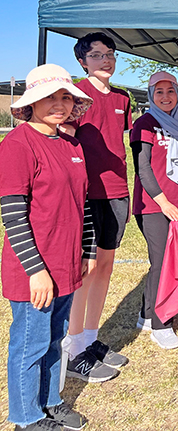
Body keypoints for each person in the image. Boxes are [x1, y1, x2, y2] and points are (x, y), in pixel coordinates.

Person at [1, 64, 94, 431]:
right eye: (50, 97)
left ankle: (51, 401)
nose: (59, 104)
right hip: (35, 269)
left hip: (67, 262)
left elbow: (83, 204)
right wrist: (35, 270)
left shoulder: (71, 144)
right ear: (32, 102)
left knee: (55, 339)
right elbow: (12, 213)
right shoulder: (17, 145)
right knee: (30, 345)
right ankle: (27, 417)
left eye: (65, 97)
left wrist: (85, 252)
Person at [61, 32, 132, 381]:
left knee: (104, 267)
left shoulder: (123, 98)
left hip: (117, 192)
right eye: (98, 54)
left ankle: (90, 339)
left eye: (111, 54)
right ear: (83, 61)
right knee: (85, 271)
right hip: (86, 194)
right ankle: (73, 349)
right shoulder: (75, 95)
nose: (107, 60)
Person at [130, 71, 178, 349]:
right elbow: (142, 168)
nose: (166, 97)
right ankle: (162, 325)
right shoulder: (144, 124)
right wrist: (164, 202)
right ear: (150, 95)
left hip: (176, 203)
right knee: (163, 263)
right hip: (153, 206)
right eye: (159, 92)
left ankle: (146, 315)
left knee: (161, 262)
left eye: (171, 91)